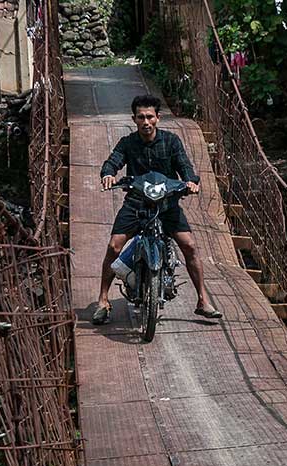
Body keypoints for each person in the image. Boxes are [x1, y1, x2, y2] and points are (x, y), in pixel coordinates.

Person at [92, 94, 222, 325]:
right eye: (141, 117)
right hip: (136, 203)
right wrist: (108, 174)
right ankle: (103, 299)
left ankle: (202, 301)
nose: (146, 122)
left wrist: (190, 181)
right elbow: (113, 161)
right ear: (134, 119)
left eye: (150, 117)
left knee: (190, 245)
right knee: (114, 245)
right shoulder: (127, 143)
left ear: (158, 118)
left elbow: (184, 165)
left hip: (166, 204)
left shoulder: (171, 141)